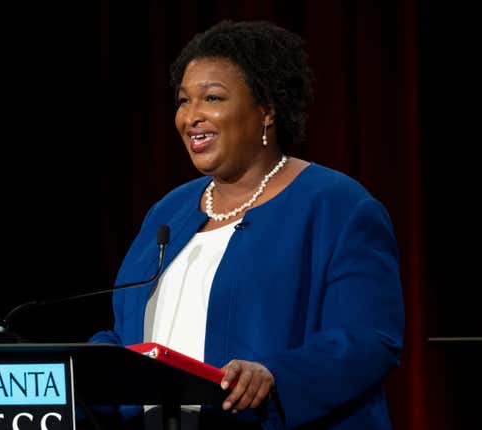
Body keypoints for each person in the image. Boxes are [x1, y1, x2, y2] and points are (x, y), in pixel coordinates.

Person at [90, 20, 404, 429]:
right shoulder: (169, 212)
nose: (191, 117)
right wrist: (85, 364)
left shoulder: (337, 206)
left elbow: (367, 340)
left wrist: (275, 377)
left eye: (213, 98)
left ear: (267, 109)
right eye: (184, 101)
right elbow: (130, 332)